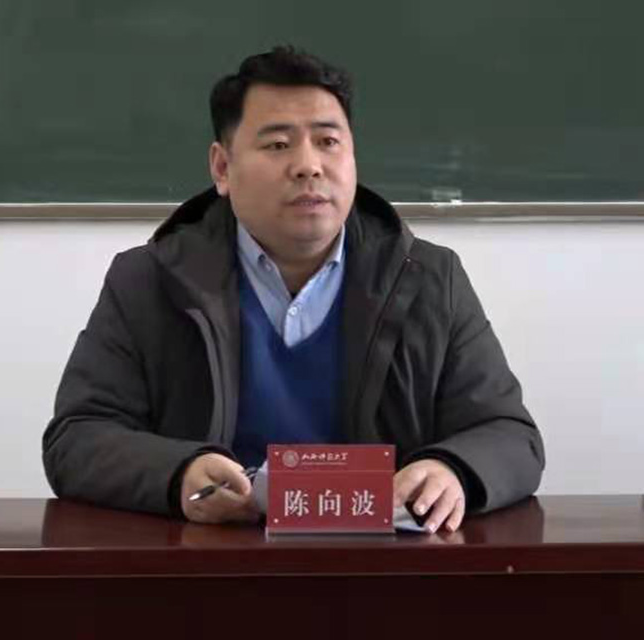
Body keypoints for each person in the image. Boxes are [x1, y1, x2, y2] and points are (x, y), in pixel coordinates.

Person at [43, 46, 544, 533]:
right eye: (278, 145)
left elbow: (509, 434)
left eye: (328, 142)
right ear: (222, 168)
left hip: (382, 564)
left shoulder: (428, 278)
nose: (309, 165)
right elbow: (76, 438)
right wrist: (178, 474)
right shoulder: (149, 280)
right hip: (213, 559)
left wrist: (453, 468)